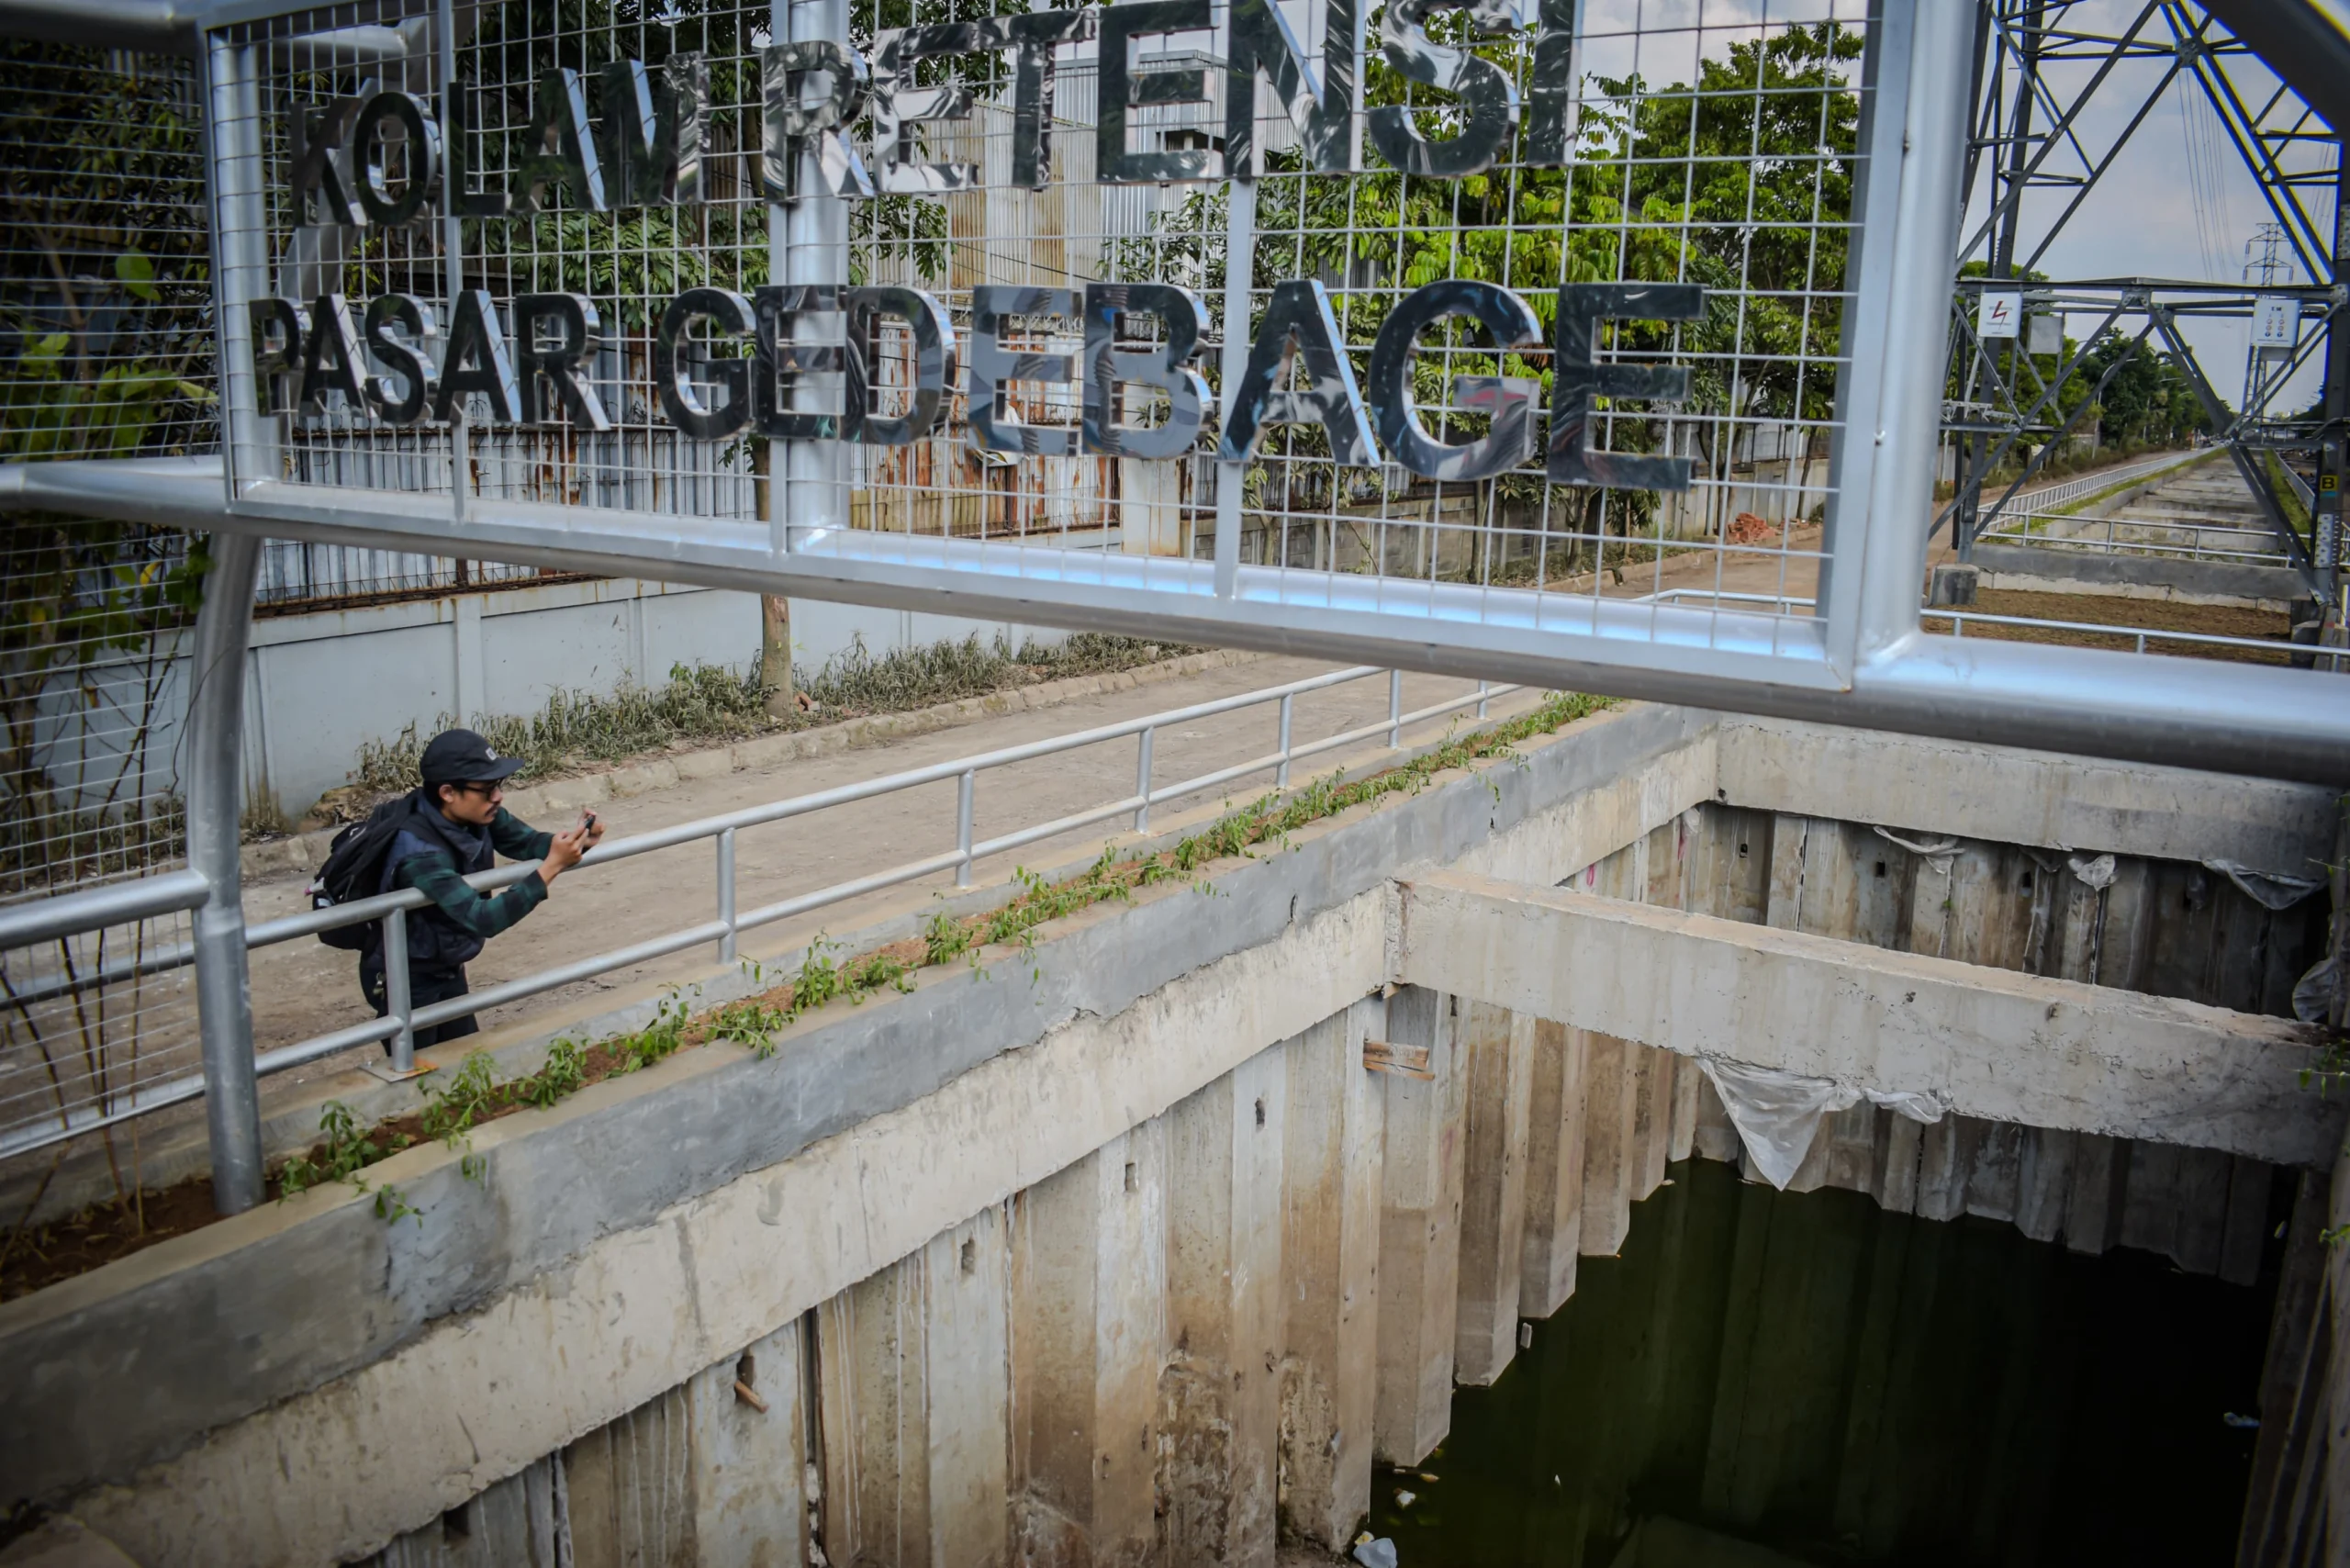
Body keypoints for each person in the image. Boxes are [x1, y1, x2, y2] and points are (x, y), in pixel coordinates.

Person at [359, 727, 605, 1049]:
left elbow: (527, 841)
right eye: (487, 789)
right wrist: (552, 867)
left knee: (464, 1059)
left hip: (444, 961)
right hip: (406, 977)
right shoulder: (418, 853)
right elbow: (483, 918)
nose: (498, 797)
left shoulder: (473, 812)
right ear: (448, 792)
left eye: (498, 786)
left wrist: (577, 840)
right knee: (418, 1076)